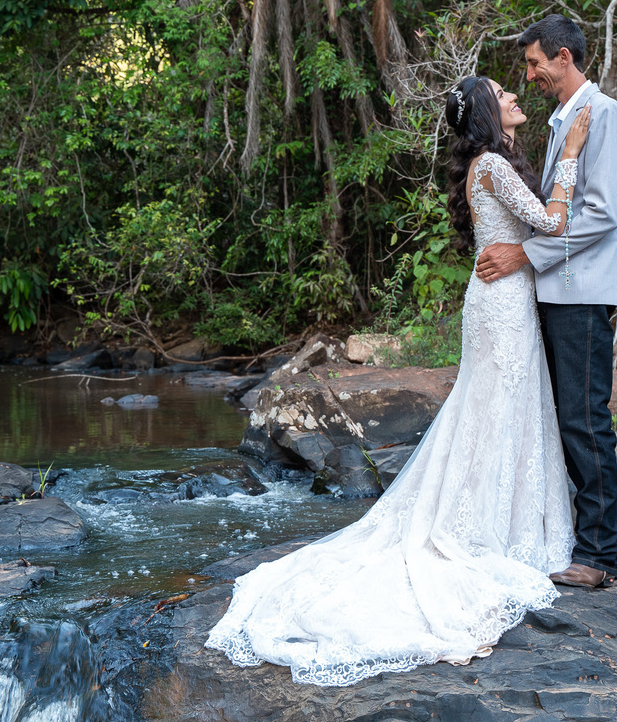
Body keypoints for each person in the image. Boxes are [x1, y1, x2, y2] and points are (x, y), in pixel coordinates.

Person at [204, 75, 592, 686]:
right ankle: (487, 532)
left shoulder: (494, 163)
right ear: (491, 113)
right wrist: (569, 158)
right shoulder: (490, 163)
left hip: (505, 299)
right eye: (503, 93)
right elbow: (549, 224)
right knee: (495, 409)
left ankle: (510, 524)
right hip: (501, 304)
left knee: (502, 409)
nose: (516, 96)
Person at [475, 14, 617, 589]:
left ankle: (599, 554)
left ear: (564, 58)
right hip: (560, 289)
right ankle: (599, 545)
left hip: (582, 289)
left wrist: (527, 256)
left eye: (535, 63)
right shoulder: (564, 119)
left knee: (585, 418)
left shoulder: (604, 115)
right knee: (571, 417)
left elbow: (603, 214)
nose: (530, 75)